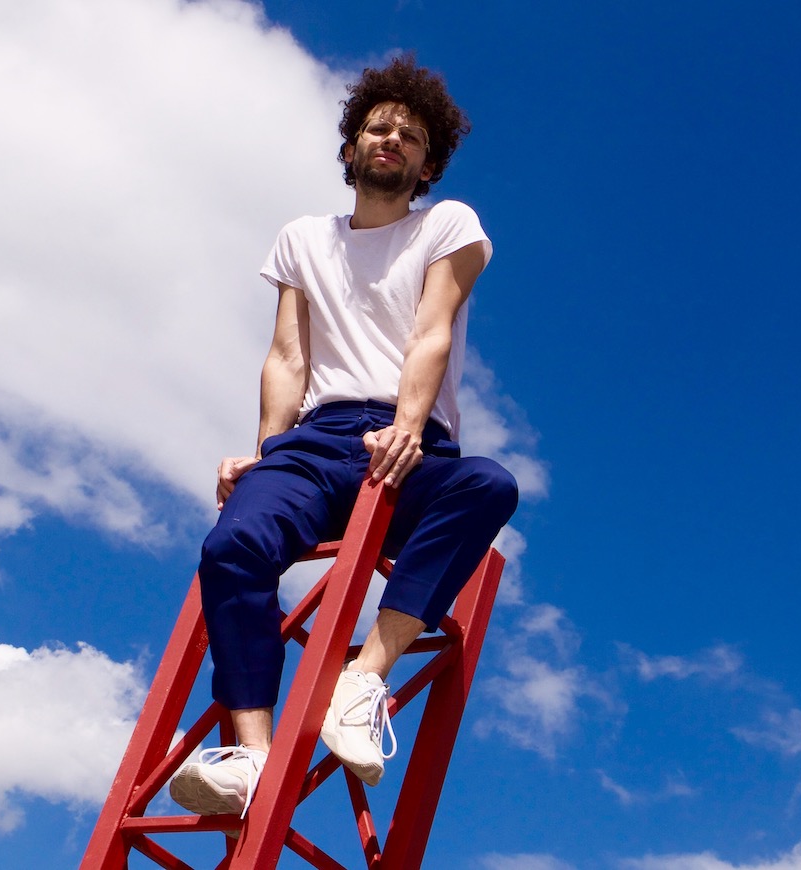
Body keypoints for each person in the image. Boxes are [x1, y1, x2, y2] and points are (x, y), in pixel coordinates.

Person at [169, 55, 518, 818]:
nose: (392, 139)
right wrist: (265, 454)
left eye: (411, 136)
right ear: (351, 145)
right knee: (233, 544)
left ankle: (362, 684)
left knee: (489, 486)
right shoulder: (303, 238)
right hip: (315, 442)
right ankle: (251, 758)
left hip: (409, 442)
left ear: (428, 164)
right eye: (379, 128)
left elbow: (430, 332)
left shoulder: (447, 224)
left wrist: (406, 427)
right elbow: (287, 357)